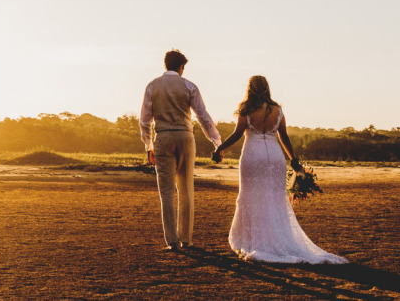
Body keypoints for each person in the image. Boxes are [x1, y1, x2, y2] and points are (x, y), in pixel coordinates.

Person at [211, 76, 348, 264]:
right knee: (274, 199)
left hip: (252, 155)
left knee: (251, 196)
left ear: (249, 89)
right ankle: (276, 239)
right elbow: (283, 136)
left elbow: (237, 134)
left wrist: (220, 149)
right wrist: (294, 161)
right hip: (275, 157)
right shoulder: (277, 110)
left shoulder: (246, 108)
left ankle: (255, 241)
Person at [140, 49, 221, 251]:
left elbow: (144, 120)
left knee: (166, 192)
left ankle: (172, 241)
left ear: (165, 64)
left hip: (163, 136)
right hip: (185, 137)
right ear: (181, 67)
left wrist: (148, 145)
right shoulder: (188, 85)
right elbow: (203, 116)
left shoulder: (152, 86)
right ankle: (186, 238)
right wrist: (216, 141)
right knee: (186, 189)